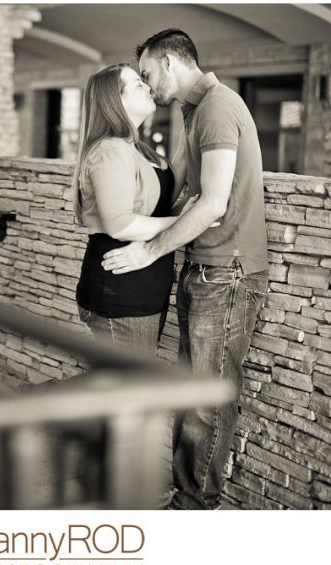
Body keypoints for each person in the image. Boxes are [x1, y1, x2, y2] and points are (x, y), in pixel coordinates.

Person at [102, 29, 269, 510]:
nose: (147, 83)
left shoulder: (217, 107)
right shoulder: (194, 111)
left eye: (148, 73)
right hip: (204, 268)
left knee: (205, 398)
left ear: (171, 62)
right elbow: (183, 192)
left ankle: (196, 506)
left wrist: (149, 251)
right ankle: (185, 496)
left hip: (227, 272)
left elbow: (213, 203)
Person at [71, 63, 200, 507]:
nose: (147, 88)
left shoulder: (139, 148)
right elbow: (120, 224)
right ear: (114, 99)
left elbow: (167, 191)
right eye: (136, 84)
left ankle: (105, 482)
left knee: (121, 388)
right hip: (119, 286)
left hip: (142, 285)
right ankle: (124, 496)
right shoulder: (110, 149)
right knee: (129, 393)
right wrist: (185, 223)